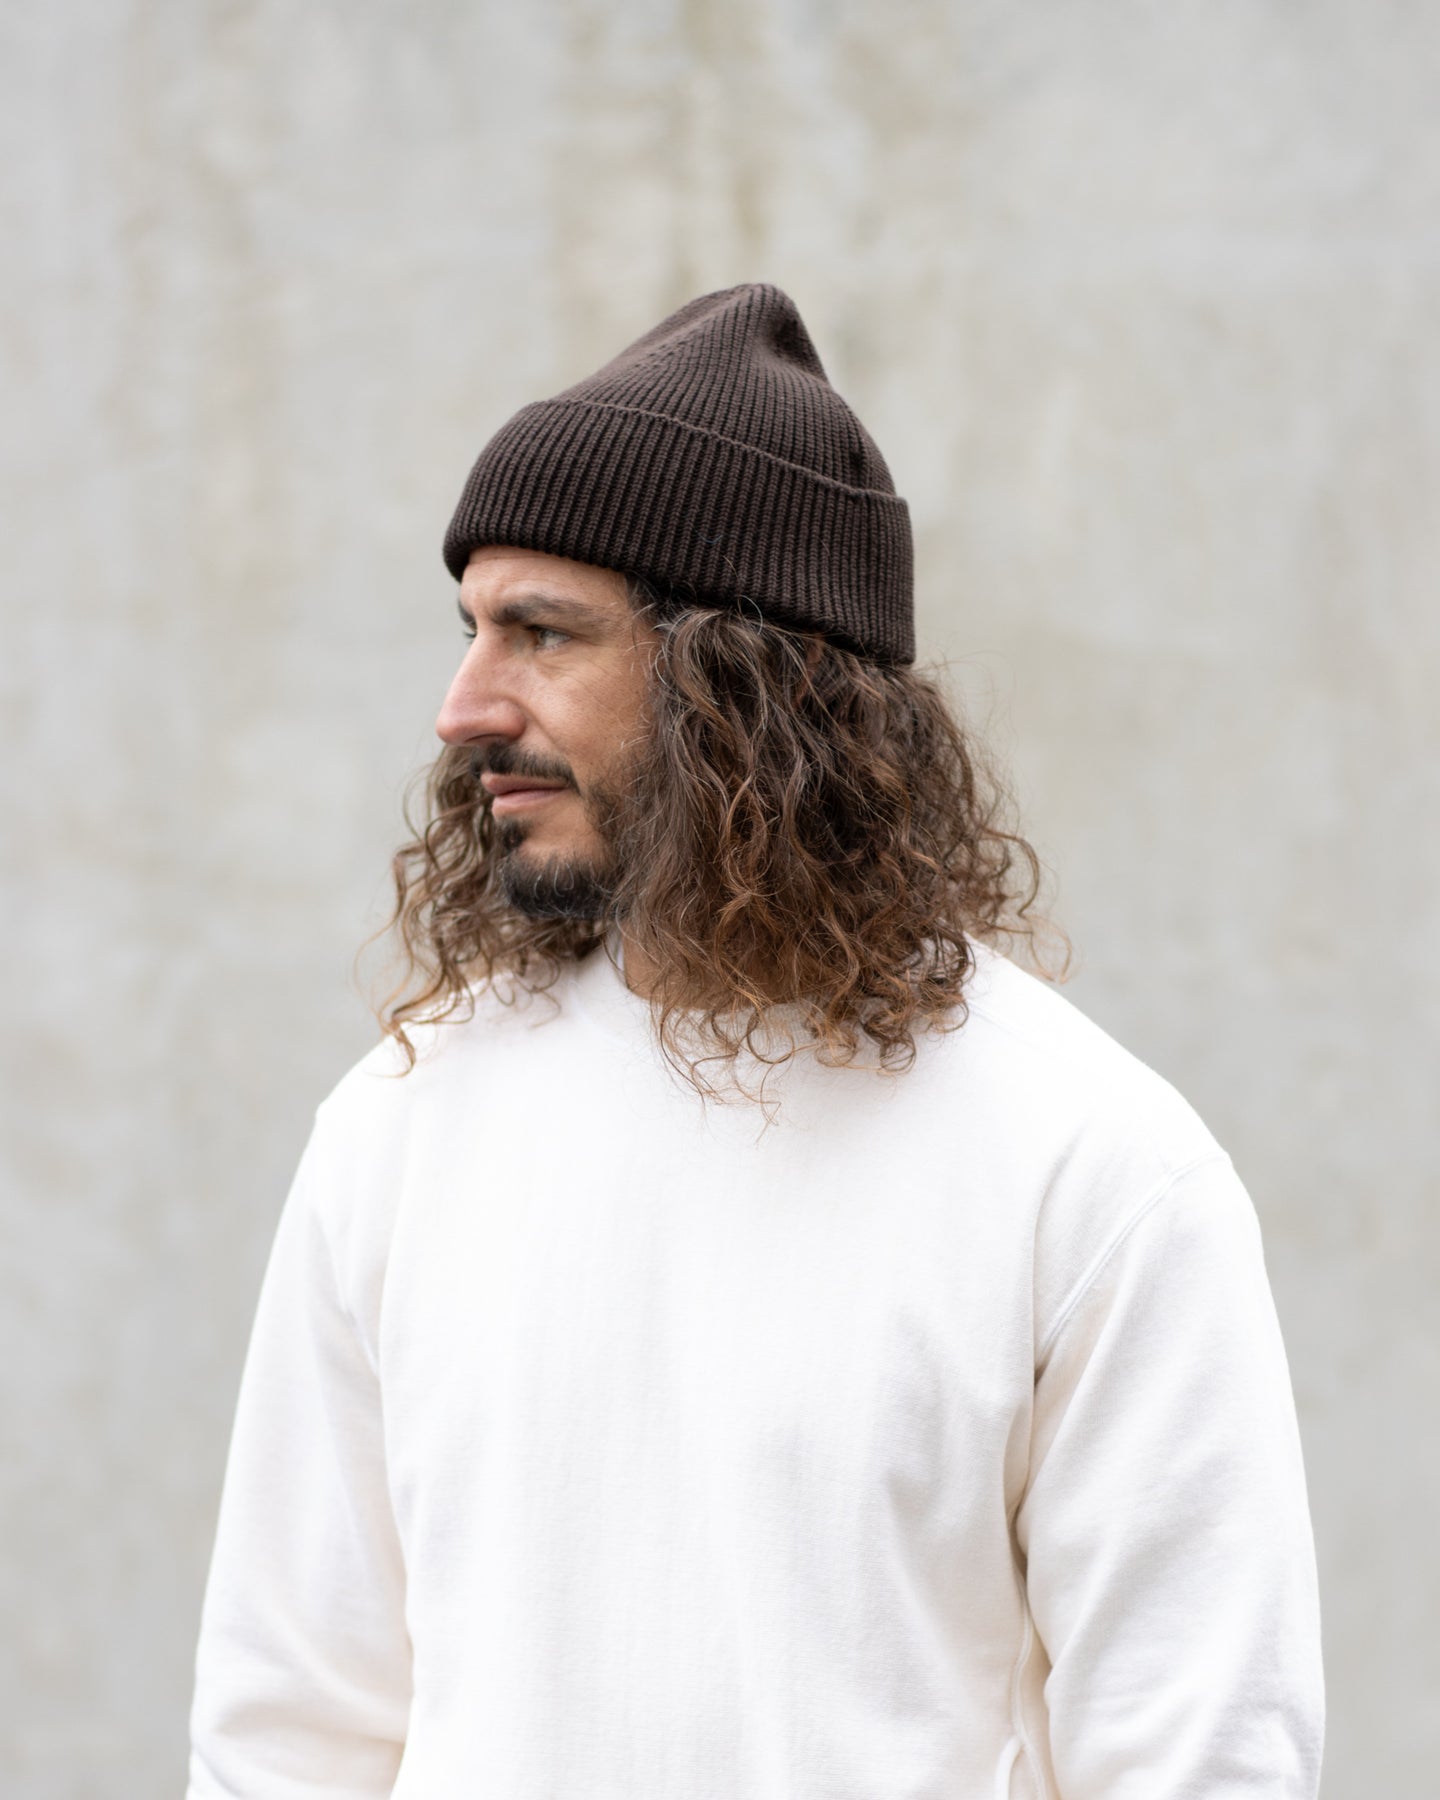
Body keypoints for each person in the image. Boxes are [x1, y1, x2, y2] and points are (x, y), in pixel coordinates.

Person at [187, 284, 1324, 1799]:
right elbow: (285, 1734)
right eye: (470, 630)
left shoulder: (1092, 1170)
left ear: (747, 682)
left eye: (542, 633)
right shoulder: (401, 1126)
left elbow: (1203, 1755)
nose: (463, 707)